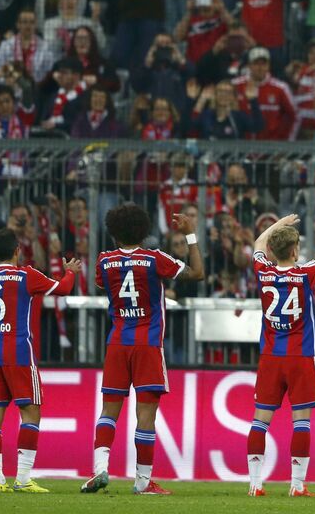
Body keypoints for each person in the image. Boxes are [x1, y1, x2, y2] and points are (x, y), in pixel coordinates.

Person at [82, 205, 204, 495]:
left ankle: (100, 468)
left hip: (117, 343)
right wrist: (190, 236)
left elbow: (101, 285)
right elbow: (197, 273)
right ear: (143, 231)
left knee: (109, 410)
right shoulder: (154, 259)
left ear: (113, 233)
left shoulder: (104, 261)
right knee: (146, 414)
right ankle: (142, 481)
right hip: (147, 343)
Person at [246, 212, 315, 498]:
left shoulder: (263, 270)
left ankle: (255, 484)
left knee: (260, 420)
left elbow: (258, 243)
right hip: (300, 355)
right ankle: (297, 485)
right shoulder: (304, 274)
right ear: (294, 251)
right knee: (301, 421)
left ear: (273, 250)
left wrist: (279, 225)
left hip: (270, 356)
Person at [0, 228, 80, 493]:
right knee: (31, 411)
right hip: (19, 353)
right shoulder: (26, 275)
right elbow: (64, 288)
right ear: (17, 251)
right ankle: (22, 478)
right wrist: (70, 272)